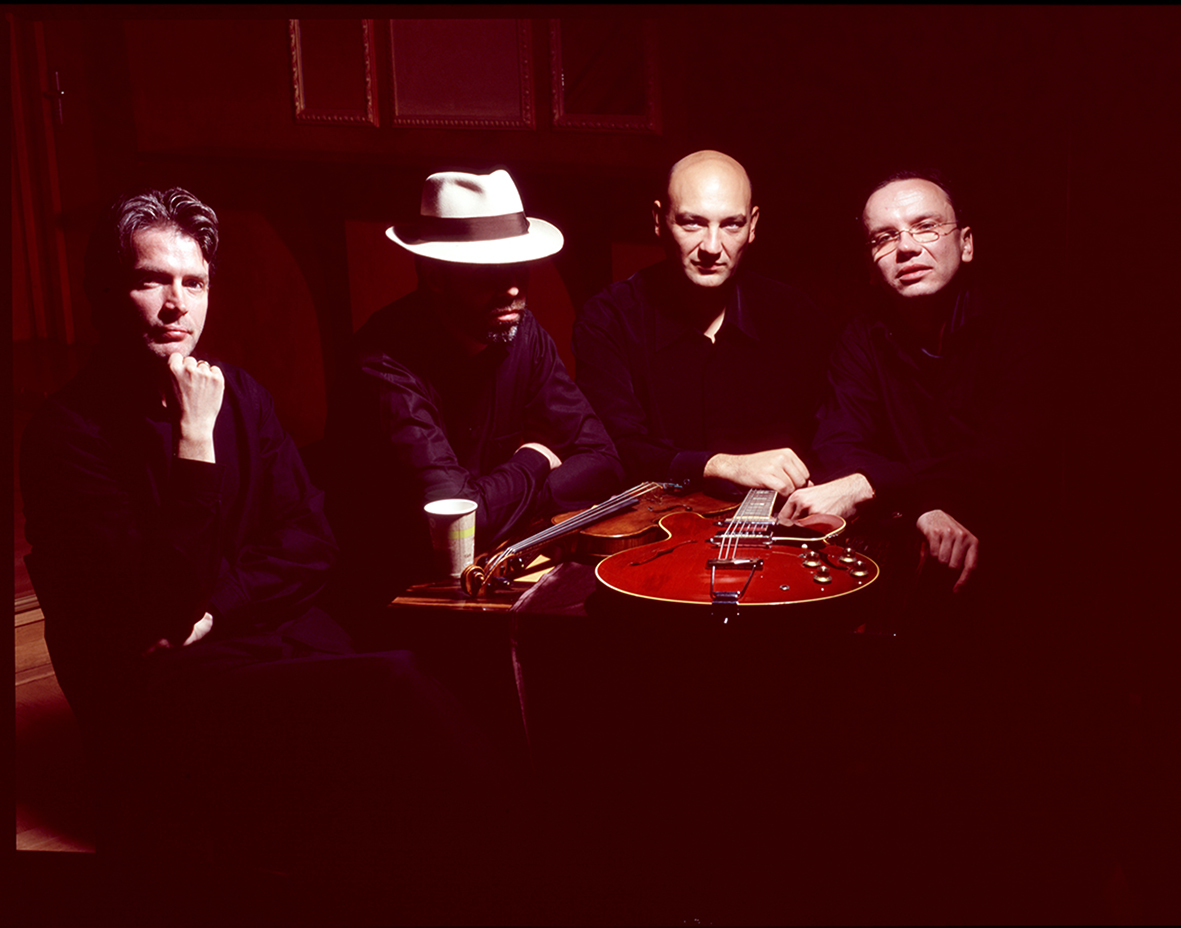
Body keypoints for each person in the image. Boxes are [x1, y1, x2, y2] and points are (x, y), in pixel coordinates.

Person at [19, 188, 521, 911]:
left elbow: (311, 542)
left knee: (449, 669)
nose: (176, 305)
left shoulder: (243, 396)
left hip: (251, 638)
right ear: (105, 289)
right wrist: (194, 442)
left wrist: (218, 608)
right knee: (394, 689)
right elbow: (160, 610)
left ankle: (500, 864)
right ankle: (528, 870)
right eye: (150, 281)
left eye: (194, 283)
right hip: (164, 698)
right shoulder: (65, 435)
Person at [325, 168, 623, 612]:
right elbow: (460, 524)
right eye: (489, 272)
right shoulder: (381, 364)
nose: (513, 287)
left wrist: (501, 501)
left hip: (490, 576)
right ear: (435, 276)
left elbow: (604, 462)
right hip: (391, 598)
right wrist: (535, 460)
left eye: (519, 266)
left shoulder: (524, 334)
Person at [780, 169, 1042, 603]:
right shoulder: (859, 338)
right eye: (884, 237)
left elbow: (1009, 461)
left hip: (1020, 564)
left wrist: (869, 485)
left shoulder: (1020, 329)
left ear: (966, 244)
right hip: (904, 550)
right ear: (870, 267)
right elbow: (837, 446)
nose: (906, 247)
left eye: (926, 227)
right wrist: (924, 505)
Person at [572, 149, 833, 499]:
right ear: (659, 220)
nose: (711, 247)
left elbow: (830, 437)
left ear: (753, 225)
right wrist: (721, 465)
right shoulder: (607, 319)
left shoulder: (797, 315)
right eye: (692, 223)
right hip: (652, 521)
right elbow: (615, 449)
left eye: (732, 224)